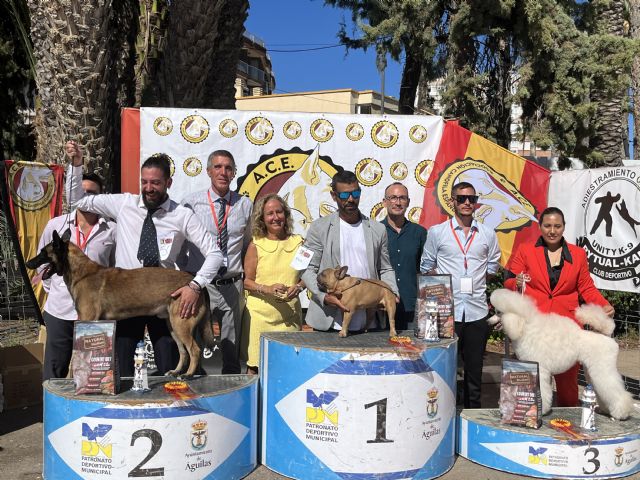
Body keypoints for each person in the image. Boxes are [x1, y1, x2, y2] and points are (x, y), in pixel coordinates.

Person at [70, 152, 222, 377]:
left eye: (156, 183)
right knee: (122, 371)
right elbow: (78, 201)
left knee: (168, 370)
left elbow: (215, 254)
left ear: (168, 183)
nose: (149, 188)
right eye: (145, 182)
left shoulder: (182, 215)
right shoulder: (123, 204)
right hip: (124, 302)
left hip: (164, 298)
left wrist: (195, 286)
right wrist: (76, 165)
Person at [504, 206, 614, 407]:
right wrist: (517, 283)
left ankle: (569, 423)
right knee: (533, 380)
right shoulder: (525, 250)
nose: (552, 231)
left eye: (557, 226)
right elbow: (508, 281)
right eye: (547, 226)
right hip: (534, 330)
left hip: (567, 330)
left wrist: (604, 305)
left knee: (568, 385)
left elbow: (586, 287)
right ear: (540, 227)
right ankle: (534, 419)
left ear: (564, 227)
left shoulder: (578, 254)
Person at [36, 141, 116, 380]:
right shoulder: (56, 225)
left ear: (100, 197)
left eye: (92, 193)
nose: (86, 198)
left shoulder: (111, 230)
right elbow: (43, 263)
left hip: (95, 313)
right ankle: (53, 416)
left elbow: (114, 270)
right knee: (55, 370)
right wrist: (60, 289)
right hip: (60, 310)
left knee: (92, 376)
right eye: (83, 192)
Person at [420, 181, 501, 408]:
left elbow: (492, 266)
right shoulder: (437, 232)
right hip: (447, 312)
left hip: (476, 311)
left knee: (475, 371)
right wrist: (445, 288)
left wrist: (474, 283)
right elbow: (427, 266)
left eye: (471, 199)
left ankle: (472, 420)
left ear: (476, 203)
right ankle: (444, 415)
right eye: (462, 198)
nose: (467, 203)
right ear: (452, 201)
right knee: (444, 368)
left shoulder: (487, 233)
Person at [181, 150, 252, 374]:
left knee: (231, 354)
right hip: (201, 287)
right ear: (209, 171)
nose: (223, 172)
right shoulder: (190, 204)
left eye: (228, 168)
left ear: (234, 174)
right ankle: (197, 396)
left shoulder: (245, 205)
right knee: (196, 348)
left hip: (231, 285)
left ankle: (232, 397)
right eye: (218, 167)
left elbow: (248, 243)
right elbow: (180, 244)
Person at [302, 170, 399, 332]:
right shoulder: (318, 228)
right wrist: (324, 297)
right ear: (334, 196)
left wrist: (392, 291)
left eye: (356, 193)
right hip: (330, 322)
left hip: (369, 322)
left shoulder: (378, 229)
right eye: (345, 195)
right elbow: (306, 269)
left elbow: (385, 267)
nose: (352, 199)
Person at [241, 194, 305, 374]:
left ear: (286, 214)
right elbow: (246, 282)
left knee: (289, 368)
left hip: (289, 318)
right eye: (270, 213)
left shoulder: (299, 242)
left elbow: (308, 275)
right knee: (255, 368)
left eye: (279, 212)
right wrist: (267, 288)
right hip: (259, 319)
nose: (275, 217)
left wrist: (299, 286)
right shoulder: (256, 245)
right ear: (262, 218)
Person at [382, 182, 427, 331]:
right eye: (393, 198)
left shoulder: (420, 233)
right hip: (381, 308)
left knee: (412, 352)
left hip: (412, 307)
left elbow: (425, 270)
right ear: (385, 202)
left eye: (402, 198)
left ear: (408, 202)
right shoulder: (375, 231)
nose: (398, 202)